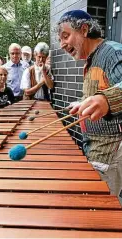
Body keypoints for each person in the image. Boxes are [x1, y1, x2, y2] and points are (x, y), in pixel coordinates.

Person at [58, 10, 122, 198]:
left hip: (109, 150)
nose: (62, 44)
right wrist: (83, 103)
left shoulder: (112, 52)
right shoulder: (92, 59)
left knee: (101, 213)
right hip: (95, 148)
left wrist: (106, 100)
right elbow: (104, 89)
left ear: (84, 30)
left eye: (66, 36)